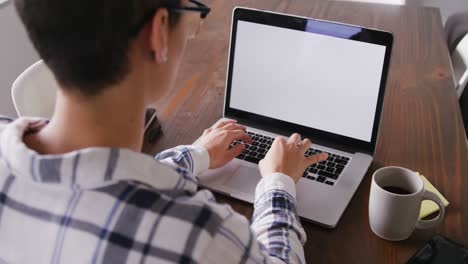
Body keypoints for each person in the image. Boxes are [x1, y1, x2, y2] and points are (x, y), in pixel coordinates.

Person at [0, 0, 328, 263]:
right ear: (158, 32)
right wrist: (278, 182)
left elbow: (96, 178)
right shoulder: (195, 238)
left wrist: (195, 155)